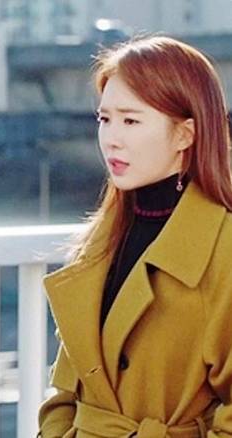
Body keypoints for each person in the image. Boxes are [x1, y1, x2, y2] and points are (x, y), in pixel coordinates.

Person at [38, 36, 232, 437]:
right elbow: (67, 390)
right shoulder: (101, 239)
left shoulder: (222, 247)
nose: (111, 138)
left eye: (130, 121)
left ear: (185, 134)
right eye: (104, 119)